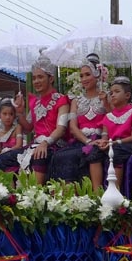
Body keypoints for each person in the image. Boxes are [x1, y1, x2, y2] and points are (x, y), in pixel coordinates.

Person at [0, 56, 70, 185]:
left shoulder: (61, 100)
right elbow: (28, 127)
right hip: (35, 144)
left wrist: (45, 143)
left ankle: (34, 196)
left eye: (40, 77)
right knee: (3, 158)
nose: (36, 81)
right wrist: (19, 112)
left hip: (54, 144)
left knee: (40, 156)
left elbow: (61, 128)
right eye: (34, 77)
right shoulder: (35, 103)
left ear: (51, 78)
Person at [50, 53, 110, 190]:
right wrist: (87, 141)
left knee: (93, 152)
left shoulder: (106, 97)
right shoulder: (76, 101)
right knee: (61, 156)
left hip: (101, 139)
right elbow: (73, 127)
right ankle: (69, 197)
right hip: (81, 140)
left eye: (88, 74)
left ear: (97, 75)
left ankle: (96, 194)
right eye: (81, 75)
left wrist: (105, 102)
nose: (84, 79)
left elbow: (111, 119)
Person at [97, 76, 132, 190]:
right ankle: (96, 193)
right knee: (93, 154)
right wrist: (102, 143)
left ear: (127, 95)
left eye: (117, 91)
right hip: (113, 144)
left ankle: (115, 191)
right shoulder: (108, 116)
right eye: (111, 93)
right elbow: (105, 137)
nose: (112, 95)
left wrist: (115, 142)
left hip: (130, 146)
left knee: (116, 152)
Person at [0, 98, 23, 166]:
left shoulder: (17, 128)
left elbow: (19, 146)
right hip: (2, 159)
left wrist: (6, 152)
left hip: (14, 158)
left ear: (14, 116)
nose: (8, 117)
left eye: (11, 114)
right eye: (5, 114)